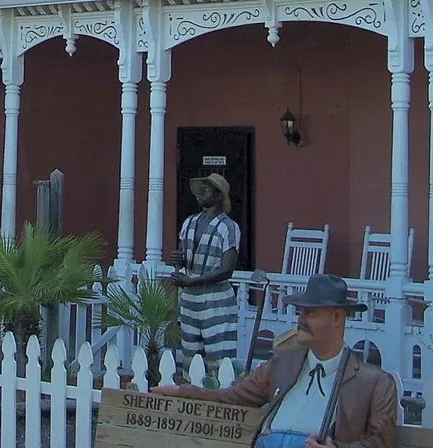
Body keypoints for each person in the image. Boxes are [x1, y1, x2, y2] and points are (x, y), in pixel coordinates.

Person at [155, 274, 398, 448]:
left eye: (310, 312)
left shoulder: (375, 383)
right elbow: (233, 396)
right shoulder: (283, 363)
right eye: (300, 311)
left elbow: (381, 441)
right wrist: (182, 391)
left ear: (336, 317)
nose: (300, 319)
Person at [170, 173, 241, 373]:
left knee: (219, 362)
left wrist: (192, 281)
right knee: (191, 359)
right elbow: (184, 255)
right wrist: (178, 259)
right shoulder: (189, 223)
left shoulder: (229, 227)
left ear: (219, 197)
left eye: (206, 189)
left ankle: (218, 397)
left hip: (216, 300)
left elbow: (227, 269)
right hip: (190, 299)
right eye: (200, 189)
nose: (200, 193)